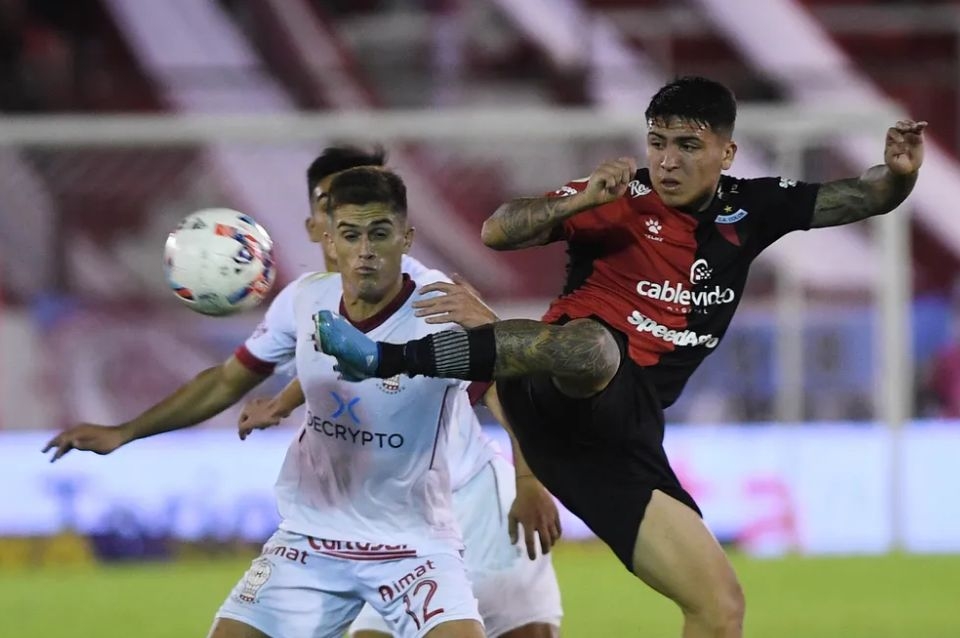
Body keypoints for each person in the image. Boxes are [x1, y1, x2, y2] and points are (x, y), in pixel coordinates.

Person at [313, 76, 927, 637]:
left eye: (688, 145)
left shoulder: (752, 207)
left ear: (727, 153)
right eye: (657, 143)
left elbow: (863, 195)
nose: (667, 160)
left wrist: (899, 176)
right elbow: (498, 229)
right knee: (592, 346)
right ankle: (384, 357)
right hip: (555, 390)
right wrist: (576, 202)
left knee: (720, 607)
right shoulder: (615, 196)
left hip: (621, 435)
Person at [44, 167, 488, 638]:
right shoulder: (305, 299)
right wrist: (125, 431)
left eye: (379, 234)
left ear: (406, 238)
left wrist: (525, 473)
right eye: (350, 235)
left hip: (413, 547)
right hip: (311, 541)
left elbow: (509, 386)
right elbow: (225, 382)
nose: (365, 251)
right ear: (330, 240)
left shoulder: (441, 312)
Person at [239, 146, 563, 638]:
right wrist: (284, 401)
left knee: (528, 631)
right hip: (384, 524)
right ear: (322, 226)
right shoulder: (315, 299)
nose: (362, 236)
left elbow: (503, 379)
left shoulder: (434, 299)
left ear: (401, 229)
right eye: (340, 214)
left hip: (471, 493)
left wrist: (529, 479)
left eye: (377, 223)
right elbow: (340, 367)